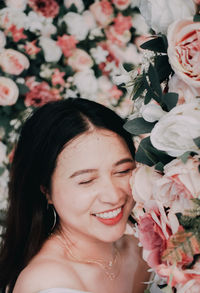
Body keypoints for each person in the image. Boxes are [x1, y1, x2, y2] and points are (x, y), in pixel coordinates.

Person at [0, 98, 150, 293]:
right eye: (86, 181)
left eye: (122, 171)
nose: (113, 196)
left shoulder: (144, 251)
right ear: (46, 191)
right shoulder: (48, 282)